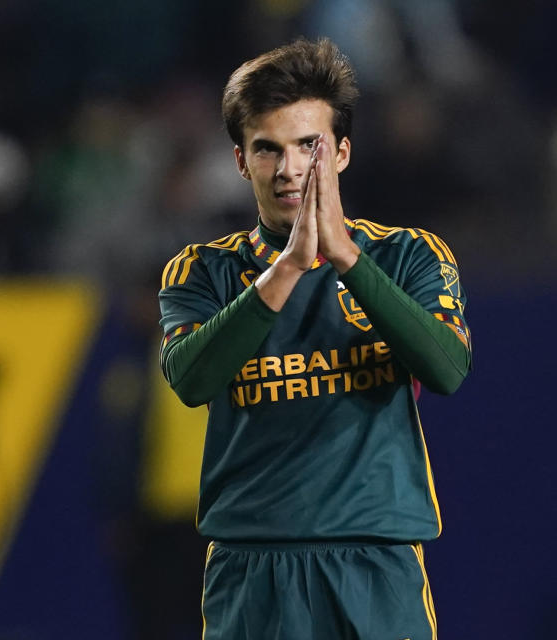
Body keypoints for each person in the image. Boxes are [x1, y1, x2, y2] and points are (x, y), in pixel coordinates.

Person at [157, 38, 472, 639]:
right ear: (241, 162)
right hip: (251, 569)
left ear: (343, 152)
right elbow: (192, 380)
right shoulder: (200, 272)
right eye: (267, 149)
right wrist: (289, 268)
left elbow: (447, 369)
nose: (290, 169)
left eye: (309, 146)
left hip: (375, 560)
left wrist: (346, 258)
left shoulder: (408, 255)